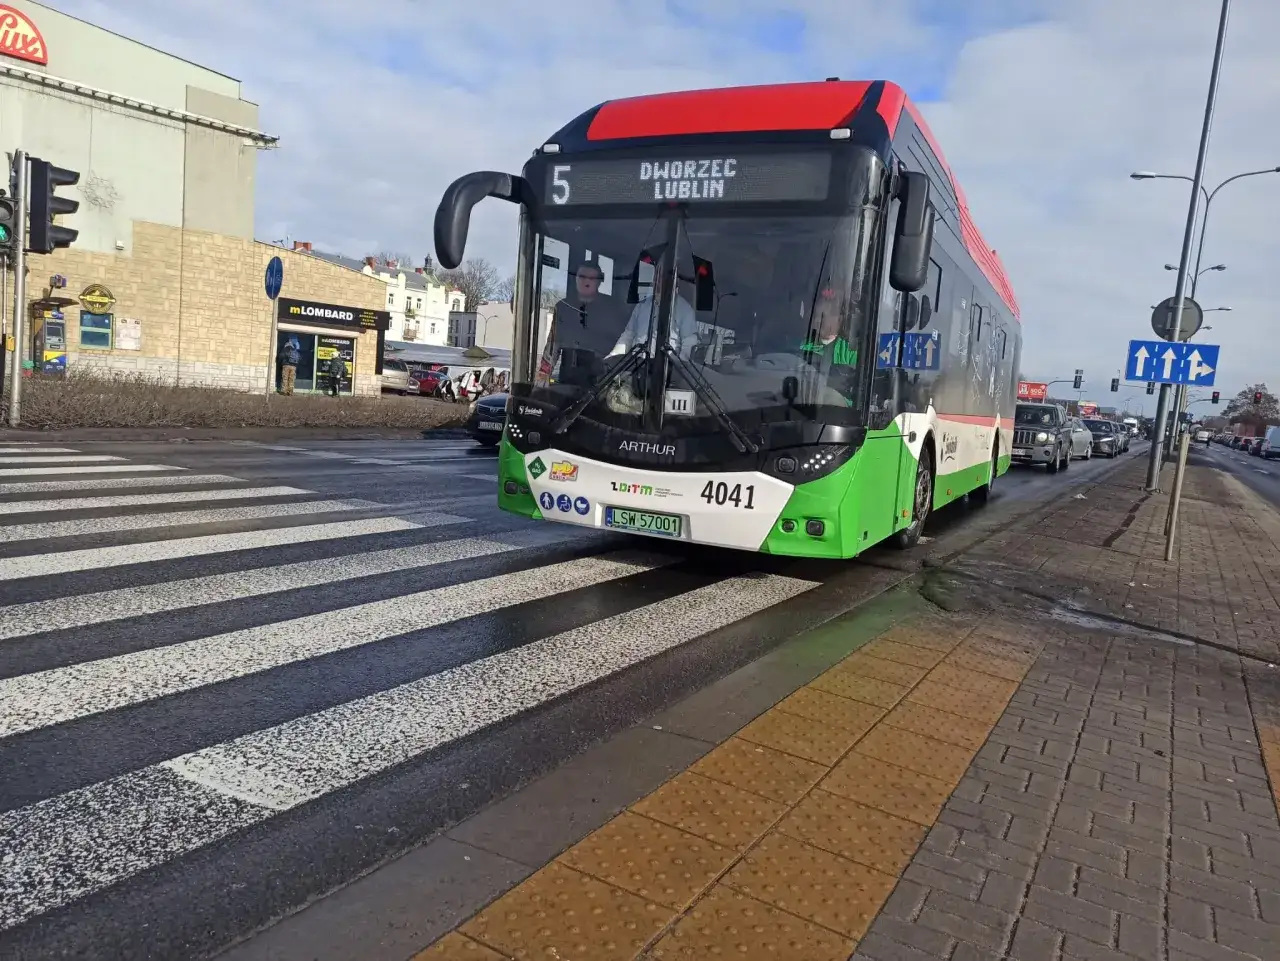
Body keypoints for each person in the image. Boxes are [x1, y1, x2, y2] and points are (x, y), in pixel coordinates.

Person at [607, 266, 699, 361]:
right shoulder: (642, 305)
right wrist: (612, 357)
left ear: (675, 281)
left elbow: (689, 344)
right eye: (657, 276)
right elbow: (628, 336)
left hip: (665, 372)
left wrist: (677, 370)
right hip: (636, 367)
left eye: (664, 277)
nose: (658, 280)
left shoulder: (685, 310)